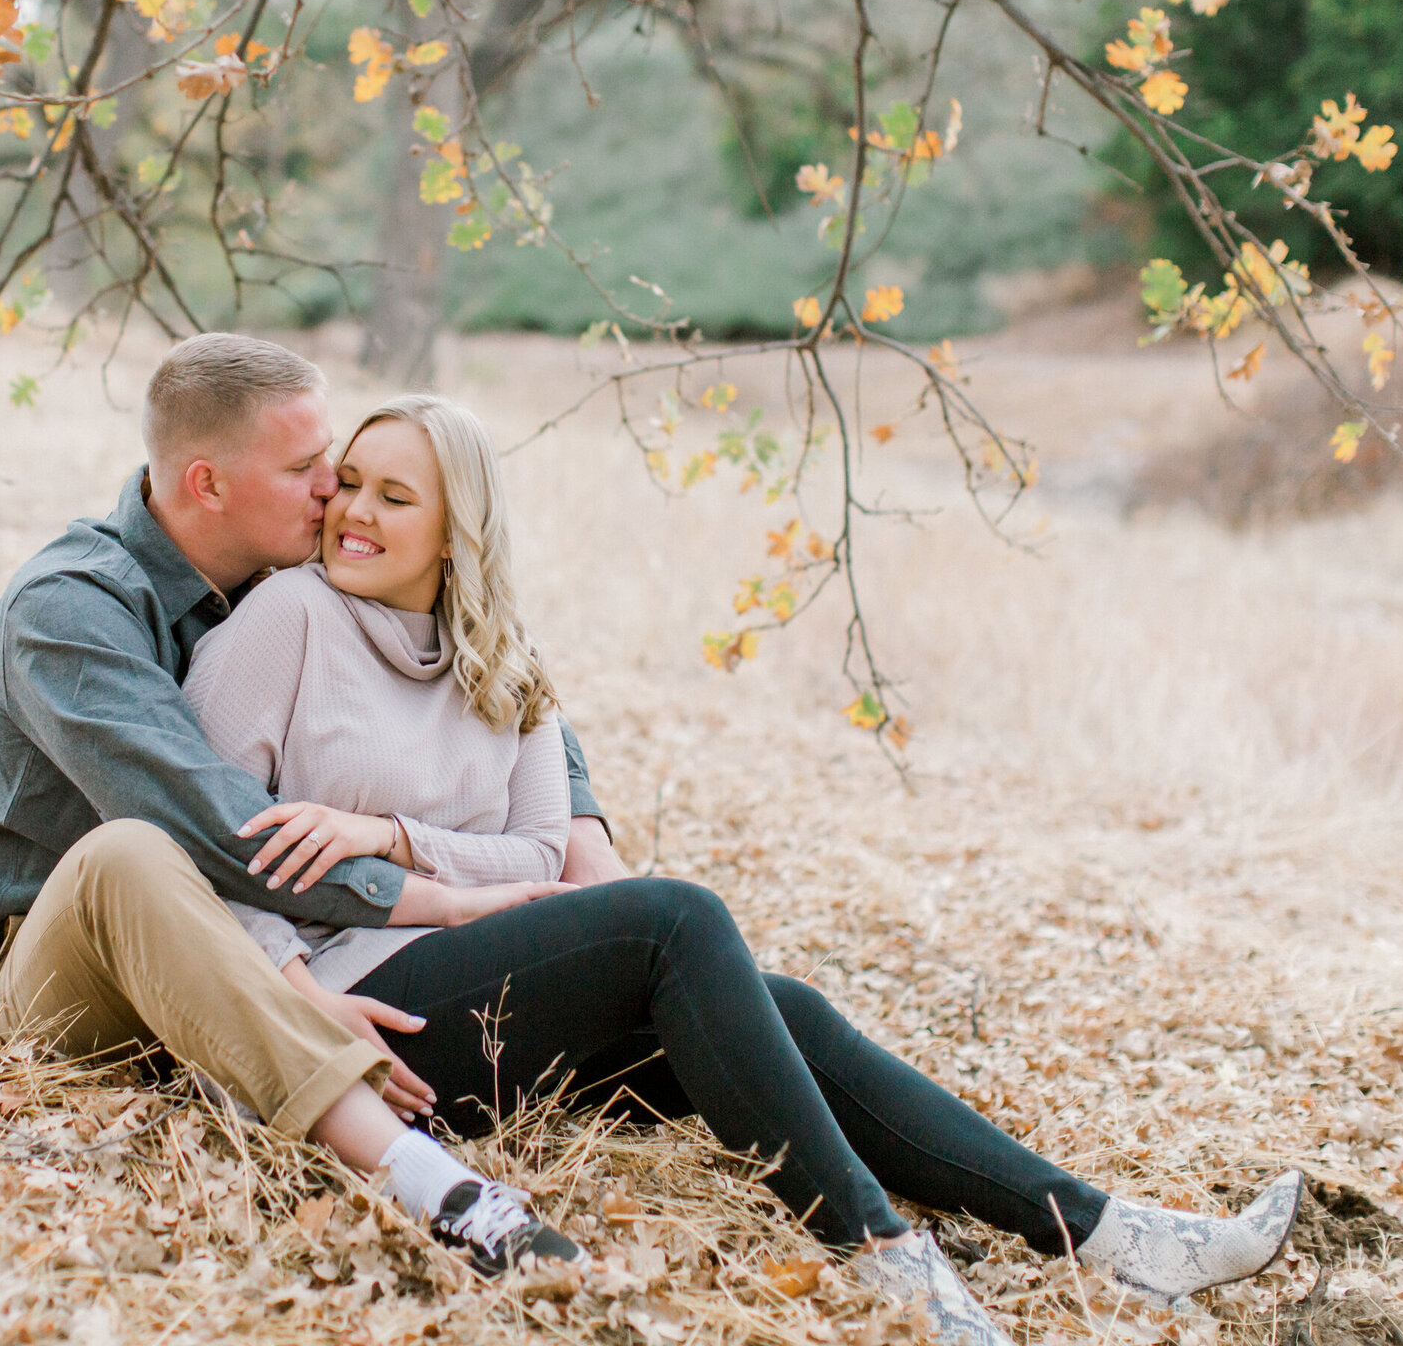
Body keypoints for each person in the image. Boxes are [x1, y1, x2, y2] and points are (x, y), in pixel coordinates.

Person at [185, 392, 1304, 1346]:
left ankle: (1106, 1230)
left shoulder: (506, 663)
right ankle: (882, 1252)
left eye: (397, 496)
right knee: (673, 921)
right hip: (367, 1011)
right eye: (354, 483)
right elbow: (208, 849)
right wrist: (303, 1017)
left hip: (490, 991)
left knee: (788, 1012)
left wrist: (392, 836)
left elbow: (538, 851)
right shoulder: (289, 621)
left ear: (454, 528)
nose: (355, 514)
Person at [0, 333, 615, 1272]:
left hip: (214, 973)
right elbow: (218, 827)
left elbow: (480, 647)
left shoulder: (269, 568)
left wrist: (579, 829)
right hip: (48, 978)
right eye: (306, 468)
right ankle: (430, 1182)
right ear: (209, 485)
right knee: (129, 853)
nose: (335, 488)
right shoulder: (70, 608)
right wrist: (424, 907)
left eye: (327, 456)